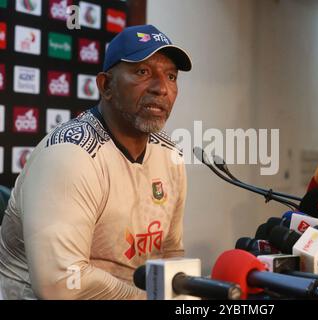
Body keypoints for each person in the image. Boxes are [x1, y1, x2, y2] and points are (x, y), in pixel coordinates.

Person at [0, 24, 192, 300]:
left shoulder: (169, 154)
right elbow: (60, 285)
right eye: (142, 72)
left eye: (171, 76)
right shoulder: (70, 154)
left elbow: (170, 254)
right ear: (106, 86)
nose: (161, 87)